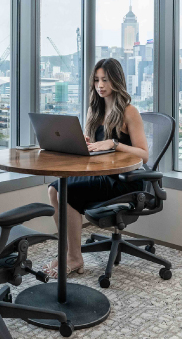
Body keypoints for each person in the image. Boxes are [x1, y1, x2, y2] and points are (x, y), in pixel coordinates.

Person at [43, 58, 150, 278]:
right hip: (102, 175)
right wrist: (83, 143)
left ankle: (74, 257)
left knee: (66, 192)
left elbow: (144, 155)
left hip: (125, 180)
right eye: (97, 80)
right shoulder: (96, 110)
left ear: (117, 81)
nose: (100, 85)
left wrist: (114, 143)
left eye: (106, 80)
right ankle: (68, 252)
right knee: (54, 189)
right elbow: (96, 150)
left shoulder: (130, 112)